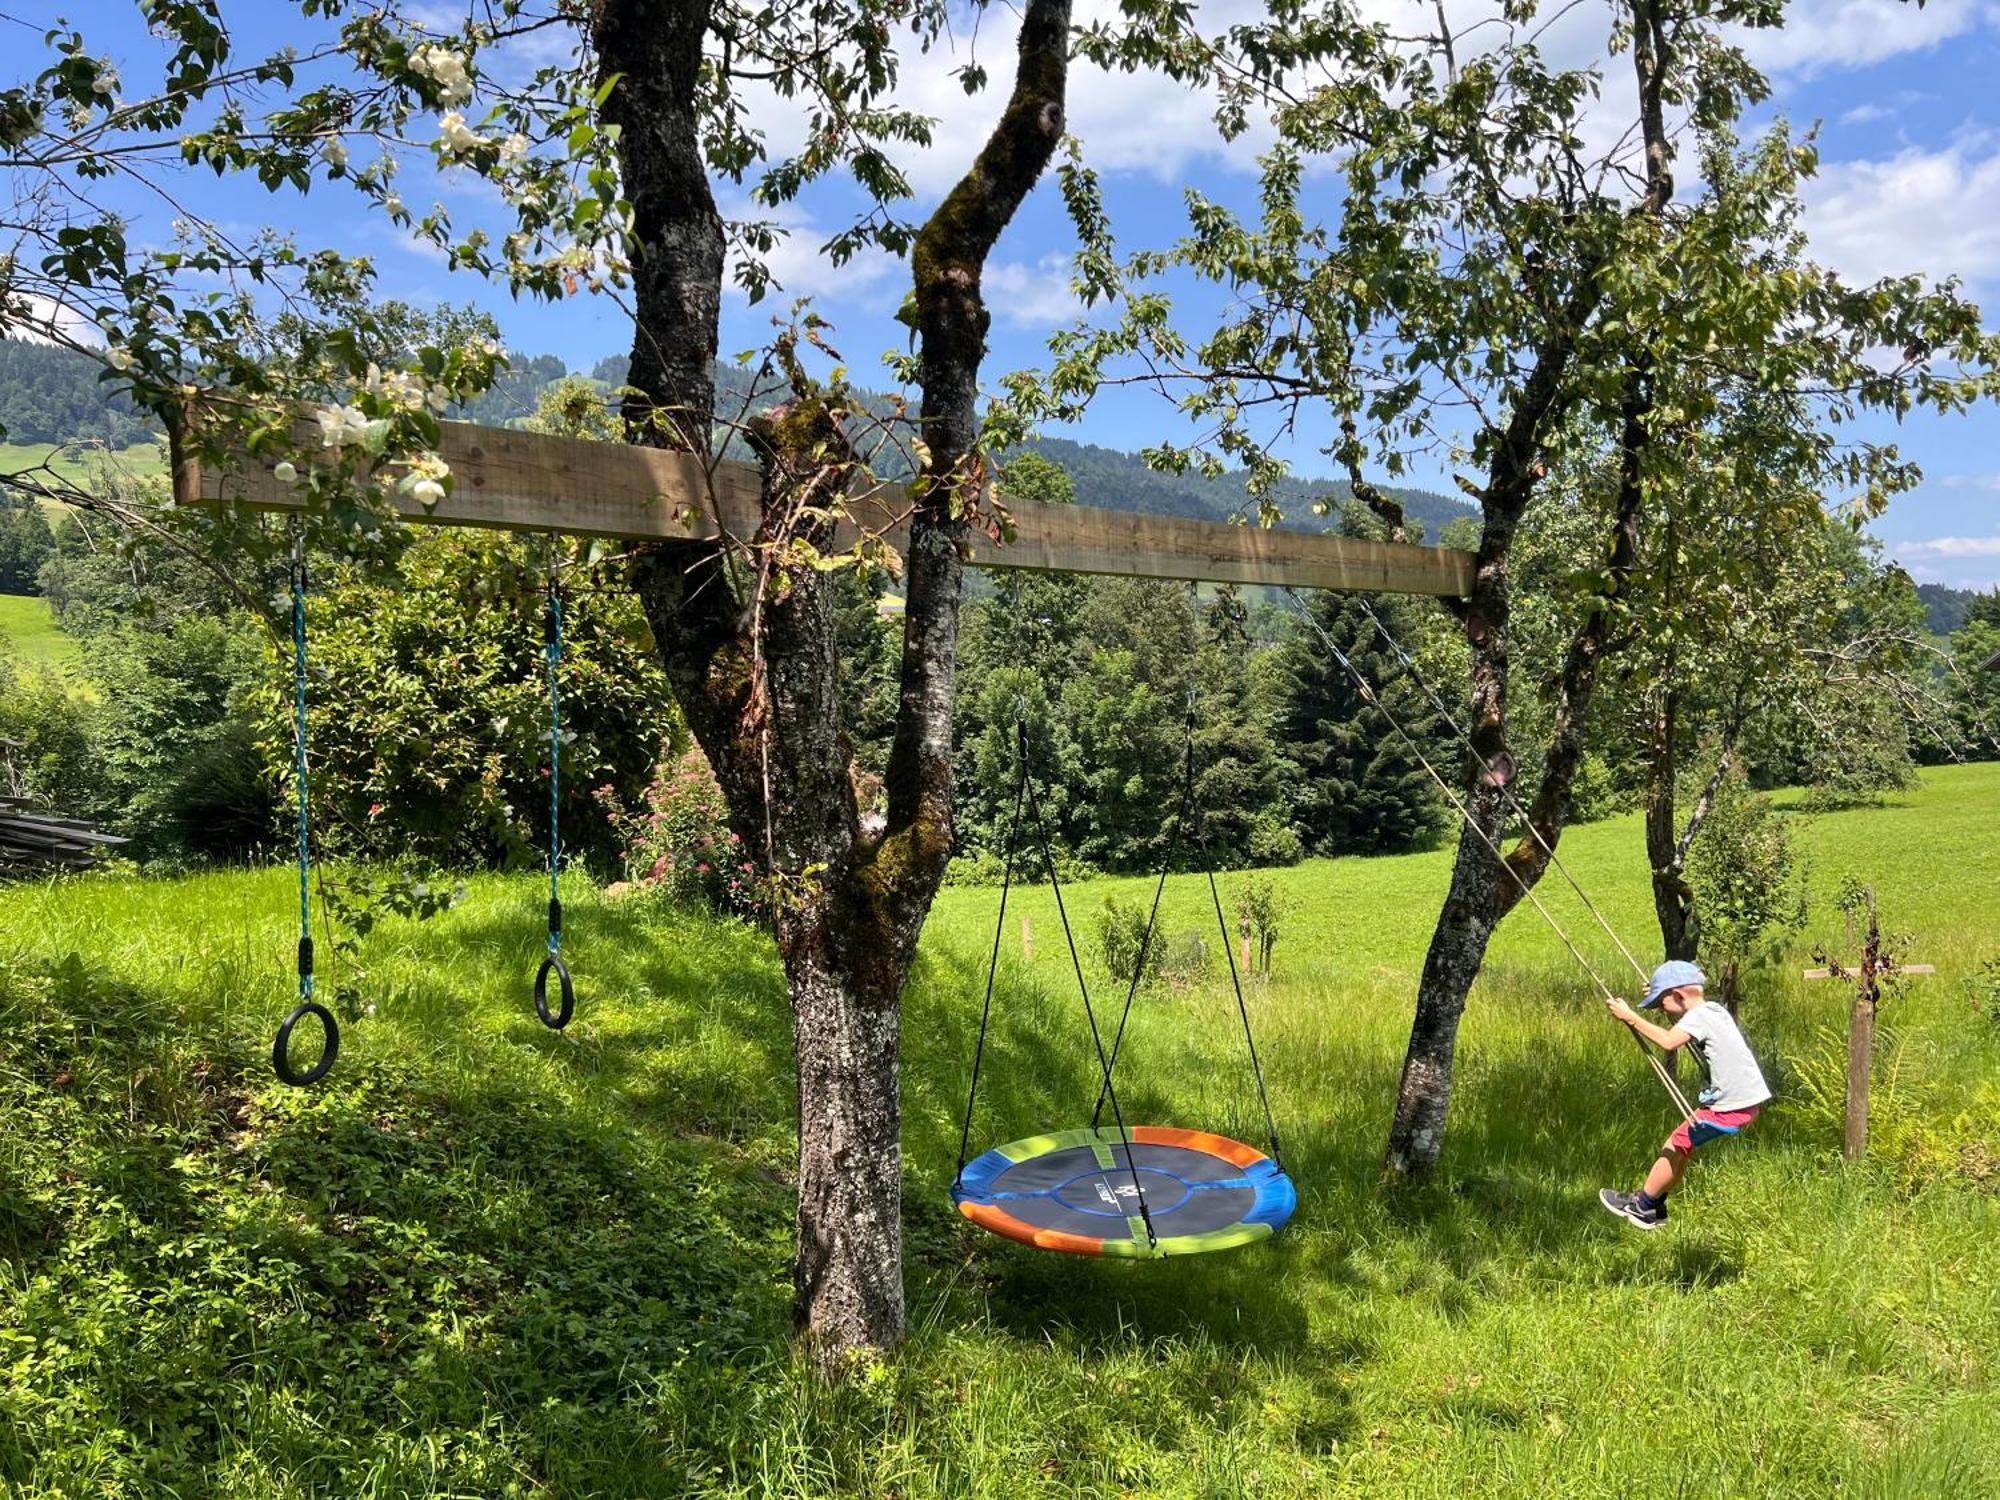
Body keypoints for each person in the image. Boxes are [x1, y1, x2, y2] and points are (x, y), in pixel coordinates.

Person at [1599, 959, 1771, 1231]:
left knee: (1674, 1145)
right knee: (1683, 1148)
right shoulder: (1714, 1010)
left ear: (1678, 995)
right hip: (1748, 1104)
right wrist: (1659, 995)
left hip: (1730, 1106)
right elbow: (1680, 1019)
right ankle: (1656, 1204)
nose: (1662, 1009)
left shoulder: (1698, 1018)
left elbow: (1668, 1041)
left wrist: (1630, 1016)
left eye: (1662, 1003)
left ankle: (1642, 1205)